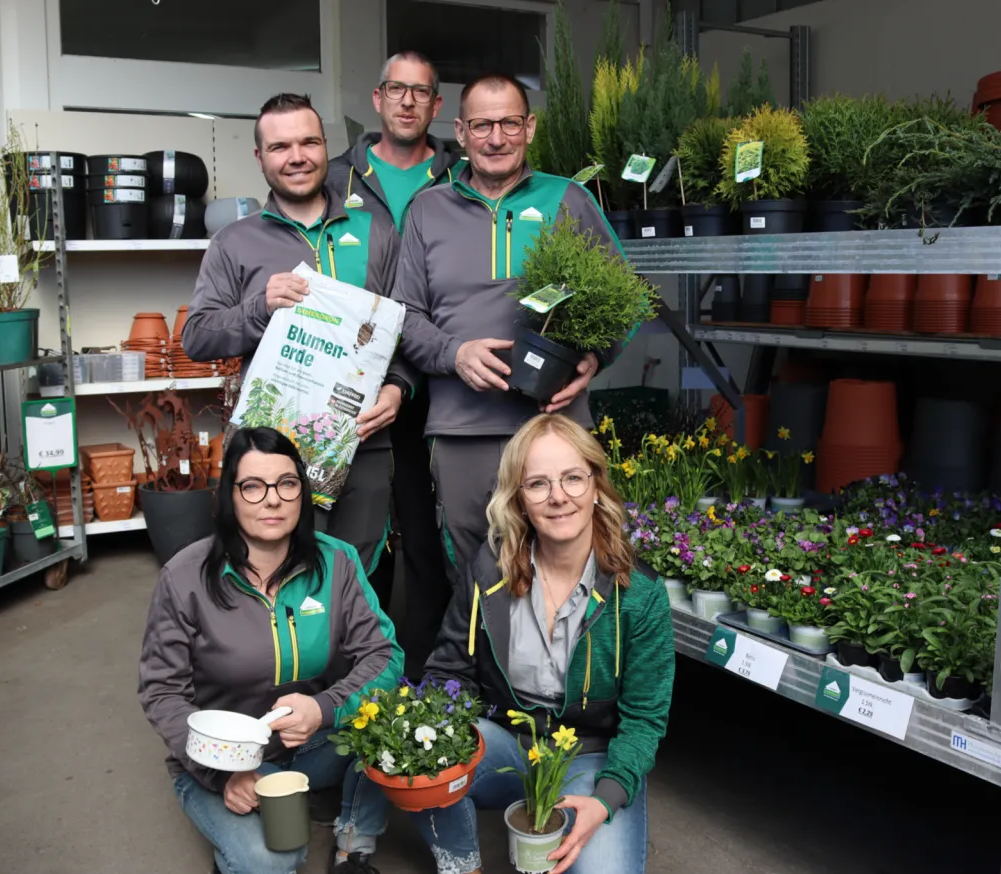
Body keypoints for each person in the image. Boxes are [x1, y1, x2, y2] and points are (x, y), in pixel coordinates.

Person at [389, 72, 632, 577]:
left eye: (509, 123)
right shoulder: (427, 210)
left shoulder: (568, 200)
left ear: (531, 127)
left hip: (555, 425)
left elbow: (622, 299)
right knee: (475, 575)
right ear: (459, 130)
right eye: (482, 125)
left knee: (570, 567)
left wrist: (595, 357)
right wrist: (453, 353)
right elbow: (404, 316)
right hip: (461, 432)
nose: (496, 138)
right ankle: (480, 661)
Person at [414, 414, 673, 874]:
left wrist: (606, 798)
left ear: (596, 484)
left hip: (588, 756)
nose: (558, 497)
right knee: (421, 764)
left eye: (573, 478)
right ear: (518, 499)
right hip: (508, 741)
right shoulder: (489, 572)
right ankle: (463, 864)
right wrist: (427, 736)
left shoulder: (638, 595)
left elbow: (645, 720)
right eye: (538, 484)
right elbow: (449, 670)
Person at [139, 426, 403, 874]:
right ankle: (240, 833)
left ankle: (353, 845)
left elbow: (384, 656)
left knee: (392, 722)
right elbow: (162, 693)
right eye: (253, 486)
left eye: (286, 483)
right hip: (219, 760)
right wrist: (222, 774)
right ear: (230, 496)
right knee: (278, 856)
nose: (272, 499)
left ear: (302, 491)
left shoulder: (335, 561)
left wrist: (323, 709)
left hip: (309, 742)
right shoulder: (185, 577)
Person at [182, 92, 414, 575]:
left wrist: (398, 388)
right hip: (271, 457)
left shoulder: (378, 233)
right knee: (278, 580)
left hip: (363, 443)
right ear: (260, 157)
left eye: (308, 142)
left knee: (359, 578)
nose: (297, 157)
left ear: (325, 145)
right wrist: (259, 307)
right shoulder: (234, 243)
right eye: (280, 146)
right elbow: (197, 336)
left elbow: (408, 329)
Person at [326, 50, 458, 669]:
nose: (408, 101)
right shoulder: (335, 178)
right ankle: (365, 673)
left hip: (446, 385)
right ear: (377, 99)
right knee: (363, 535)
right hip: (360, 386)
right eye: (396, 89)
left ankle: (434, 675)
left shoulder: (462, 177)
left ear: (437, 106)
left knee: (434, 538)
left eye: (421, 92)